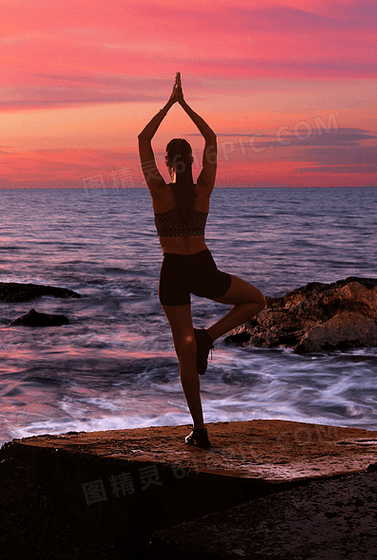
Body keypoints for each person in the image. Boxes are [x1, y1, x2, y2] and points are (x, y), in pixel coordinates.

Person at [137, 73, 266, 448]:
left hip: (174, 272)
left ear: (165, 162)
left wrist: (169, 103)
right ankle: (212, 334)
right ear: (192, 161)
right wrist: (186, 105)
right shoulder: (203, 189)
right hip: (203, 267)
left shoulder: (158, 191)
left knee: (185, 353)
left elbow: (143, 139)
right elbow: (211, 139)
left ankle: (201, 430)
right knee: (256, 299)